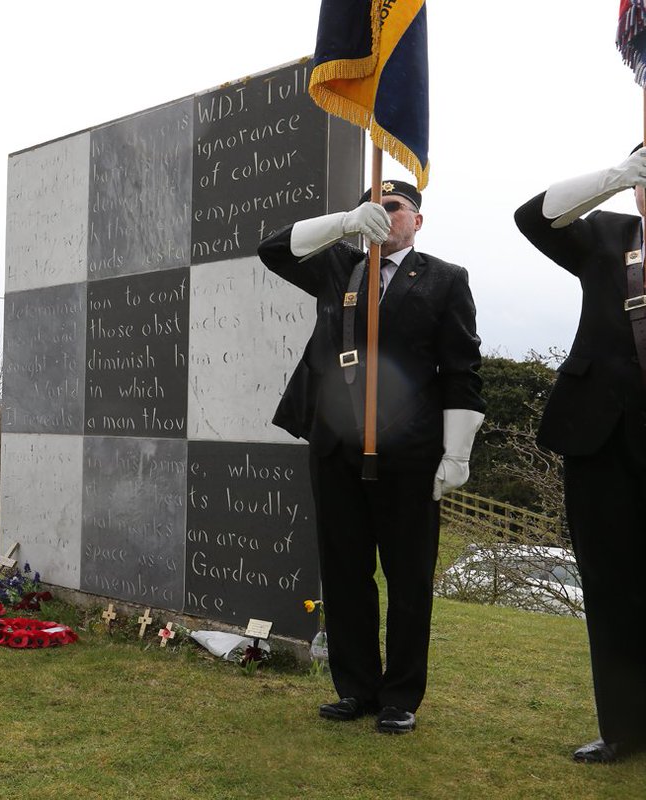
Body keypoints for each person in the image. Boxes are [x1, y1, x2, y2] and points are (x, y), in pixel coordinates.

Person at [258, 180, 485, 734]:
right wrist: (344, 222)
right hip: (336, 445)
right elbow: (273, 248)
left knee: (408, 577)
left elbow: (461, 370)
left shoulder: (445, 279)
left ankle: (400, 696)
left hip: (408, 452)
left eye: (394, 208)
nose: (385, 215)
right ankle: (355, 688)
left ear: (417, 221)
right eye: (374, 208)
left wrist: (456, 454)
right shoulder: (340, 266)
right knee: (344, 571)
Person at [514, 147, 646, 763]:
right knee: (610, 583)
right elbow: (533, 218)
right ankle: (623, 727)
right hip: (598, 434)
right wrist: (617, 175)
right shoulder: (608, 236)